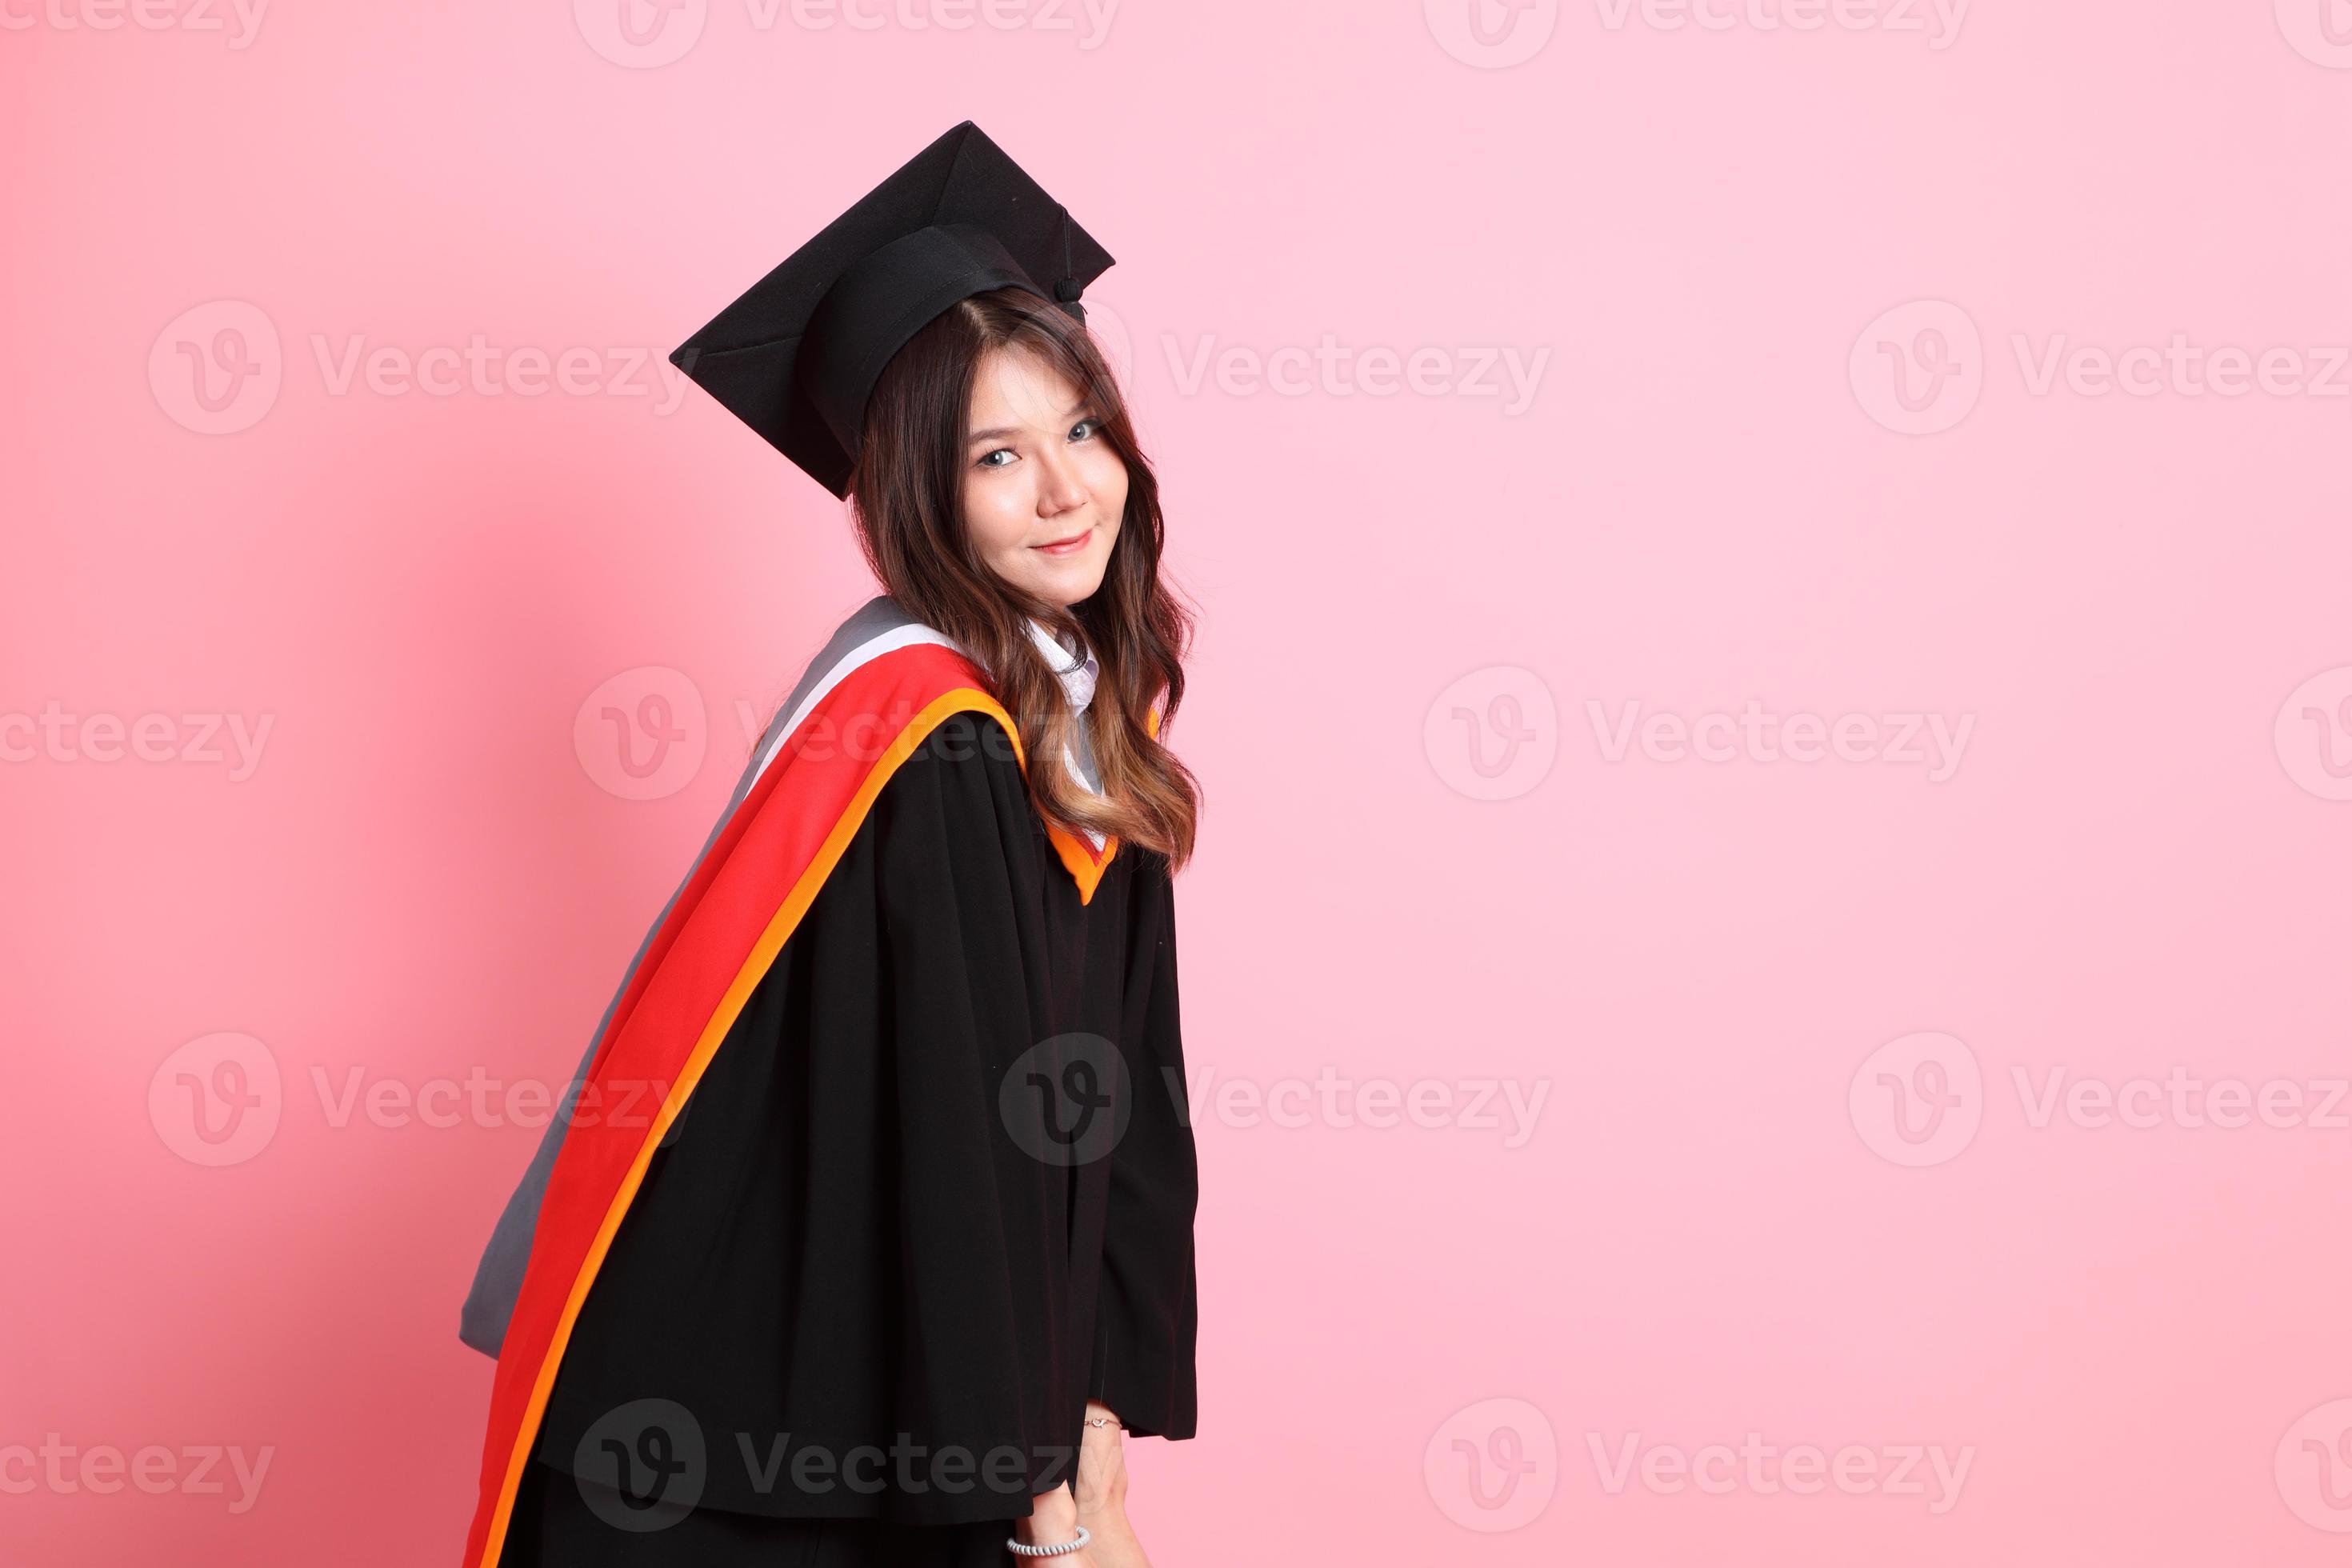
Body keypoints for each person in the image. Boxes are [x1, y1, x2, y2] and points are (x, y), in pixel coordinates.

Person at [455, 122, 1201, 1568]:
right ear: (917, 493)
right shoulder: (935, 745)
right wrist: (1029, 1488)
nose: (1067, 491)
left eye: (1082, 431)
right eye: (999, 454)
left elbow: (1117, 1111)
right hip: (756, 1458)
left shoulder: (1072, 720)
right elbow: (963, 1142)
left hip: (911, 1413)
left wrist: (1099, 1434)